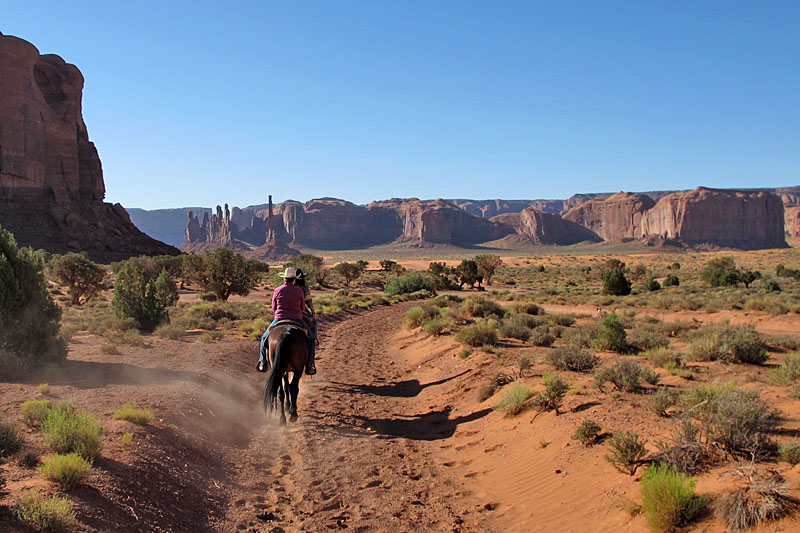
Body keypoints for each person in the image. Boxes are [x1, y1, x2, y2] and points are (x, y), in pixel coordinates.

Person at [257, 267, 316, 375]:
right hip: (297, 318)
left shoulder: (277, 290)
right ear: (294, 279)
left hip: (279, 318)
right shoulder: (299, 290)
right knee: (312, 339)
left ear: (284, 279)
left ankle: (262, 361)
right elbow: (303, 307)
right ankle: (310, 364)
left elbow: (273, 307)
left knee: (264, 337)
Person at [294, 268, 318, 375]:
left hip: (282, 314)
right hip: (300, 312)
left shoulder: (281, 288)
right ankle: (310, 363)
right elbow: (308, 301)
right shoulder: (303, 288)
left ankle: (263, 360)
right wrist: (312, 310)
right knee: (314, 325)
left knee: (267, 334)